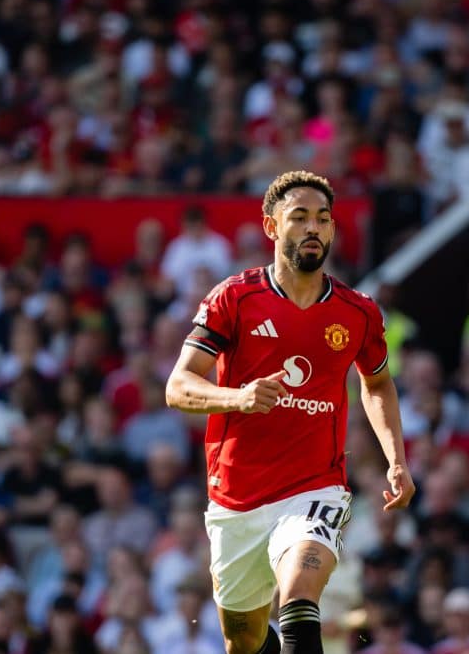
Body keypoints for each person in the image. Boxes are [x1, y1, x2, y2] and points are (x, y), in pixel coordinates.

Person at [166, 170, 415, 654]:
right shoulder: (234, 298)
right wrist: (237, 397)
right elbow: (178, 386)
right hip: (236, 495)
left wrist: (397, 459)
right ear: (272, 226)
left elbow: (378, 383)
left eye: (323, 218)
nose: (313, 228)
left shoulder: (358, 312)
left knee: (300, 591)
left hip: (315, 488)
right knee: (244, 641)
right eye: (299, 217)